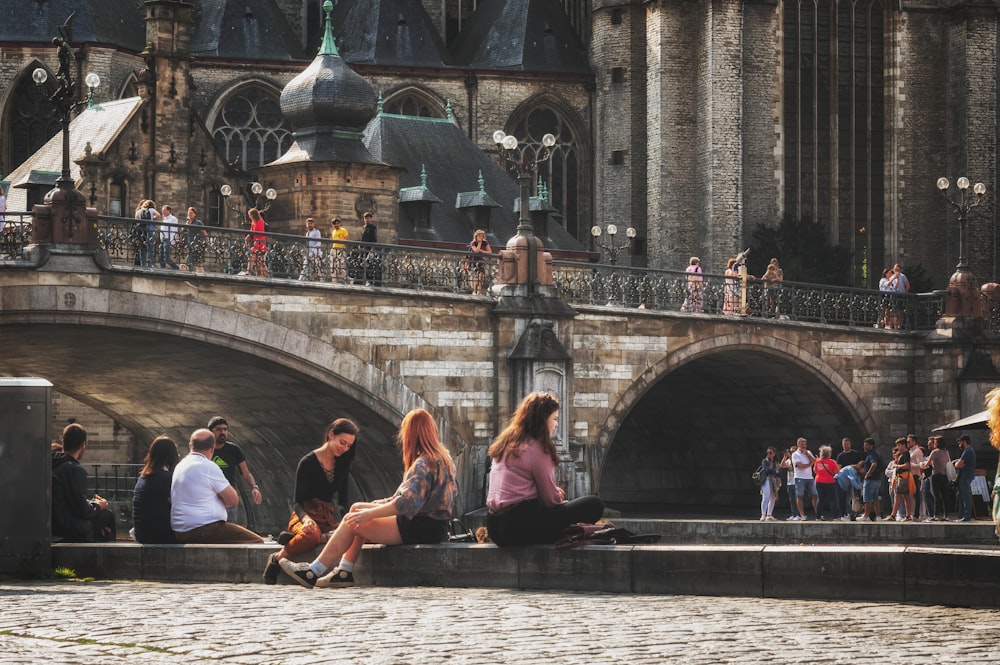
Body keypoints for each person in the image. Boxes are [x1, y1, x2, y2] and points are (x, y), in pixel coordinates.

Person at [280, 408, 457, 588]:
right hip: (433, 525)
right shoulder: (443, 459)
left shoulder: (423, 463)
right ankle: (344, 571)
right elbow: (410, 498)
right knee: (357, 508)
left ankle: (313, 572)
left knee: (354, 521)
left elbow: (404, 504)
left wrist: (369, 514)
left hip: (420, 527)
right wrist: (375, 506)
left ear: (411, 434)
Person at [485, 392, 604, 546]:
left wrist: (549, 491)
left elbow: (516, 488)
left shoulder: (505, 443)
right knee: (594, 505)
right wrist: (555, 495)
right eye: (554, 419)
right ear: (543, 420)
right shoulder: (537, 448)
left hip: (494, 526)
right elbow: (551, 502)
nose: (556, 425)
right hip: (517, 527)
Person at [262, 418, 359, 585]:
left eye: (349, 446)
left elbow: (343, 502)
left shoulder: (343, 463)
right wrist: (306, 519)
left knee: (354, 530)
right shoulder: (307, 462)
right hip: (304, 513)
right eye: (342, 443)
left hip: (326, 515)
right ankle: (277, 558)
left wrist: (346, 521)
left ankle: (317, 537)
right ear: (330, 435)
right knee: (311, 534)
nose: (344, 449)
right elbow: (297, 502)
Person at [170, 428, 263, 544]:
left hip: (180, 531)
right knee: (257, 541)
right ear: (212, 448)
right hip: (204, 528)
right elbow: (233, 500)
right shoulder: (208, 466)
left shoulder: (180, 465)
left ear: (190, 446)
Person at [51, 423, 117, 542]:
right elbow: (83, 510)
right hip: (68, 528)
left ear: (63, 442)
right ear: (83, 445)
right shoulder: (74, 469)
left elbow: (71, 500)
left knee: (104, 533)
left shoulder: (52, 462)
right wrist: (98, 505)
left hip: (52, 524)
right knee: (108, 515)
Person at [207, 416, 263, 523]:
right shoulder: (205, 449)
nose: (222, 432)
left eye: (225, 429)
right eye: (218, 429)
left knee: (229, 531)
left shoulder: (234, 449)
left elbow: (246, 474)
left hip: (228, 497)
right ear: (210, 432)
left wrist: (254, 487)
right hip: (210, 497)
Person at [132, 436, 179, 544]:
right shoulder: (165, 477)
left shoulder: (143, 476)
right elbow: (179, 503)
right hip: (158, 534)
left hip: (142, 533)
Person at [924, 435, 951, 521]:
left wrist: (924, 464)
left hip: (936, 475)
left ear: (937, 443)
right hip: (944, 475)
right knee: (944, 496)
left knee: (936, 496)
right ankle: (946, 515)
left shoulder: (935, 452)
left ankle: (935, 515)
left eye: (935, 442)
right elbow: (948, 462)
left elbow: (927, 463)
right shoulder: (946, 452)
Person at [889, 437, 915, 521]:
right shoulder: (902, 454)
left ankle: (894, 515)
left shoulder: (906, 454)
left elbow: (907, 465)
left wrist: (896, 466)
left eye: (899, 445)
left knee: (899, 496)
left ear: (904, 445)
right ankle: (906, 515)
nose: (898, 447)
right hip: (901, 477)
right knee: (904, 497)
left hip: (903, 477)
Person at [792, 437, 818, 520]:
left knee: (815, 495)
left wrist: (807, 454)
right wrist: (810, 464)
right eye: (802, 444)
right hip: (800, 477)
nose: (803, 446)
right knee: (800, 496)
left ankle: (818, 513)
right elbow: (800, 466)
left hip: (809, 477)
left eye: (805, 444)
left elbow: (815, 461)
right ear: (798, 444)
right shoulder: (795, 454)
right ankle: (802, 515)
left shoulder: (808, 452)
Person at [953, 434, 976, 522]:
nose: (959, 444)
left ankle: (966, 516)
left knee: (965, 497)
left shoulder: (967, 451)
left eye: (960, 442)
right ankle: (963, 515)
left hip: (965, 477)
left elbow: (959, 464)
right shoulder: (970, 451)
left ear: (964, 442)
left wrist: (955, 464)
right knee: (961, 496)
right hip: (967, 476)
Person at [813, 445, 840, 521]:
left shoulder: (818, 461)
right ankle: (835, 516)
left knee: (820, 499)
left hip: (818, 481)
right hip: (829, 482)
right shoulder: (832, 462)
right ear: (828, 454)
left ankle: (818, 516)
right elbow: (837, 471)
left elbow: (815, 471)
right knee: (833, 499)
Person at [860, 437, 883, 521]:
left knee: (867, 498)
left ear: (871, 446)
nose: (864, 447)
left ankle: (866, 516)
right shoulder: (877, 453)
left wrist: (867, 474)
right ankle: (878, 516)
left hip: (870, 480)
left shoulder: (871, 454)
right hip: (877, 479)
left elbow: (874, 464)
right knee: (875, 498)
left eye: (866, 445)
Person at [133, 199, 161, 268]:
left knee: (142, 247)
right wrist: (154, 221)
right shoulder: (151, 210)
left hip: (142, 230)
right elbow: (158, 215)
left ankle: (143, 264)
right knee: (151, 246)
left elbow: (137, 221)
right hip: (150, 228)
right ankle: (150, 263)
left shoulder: (138, 211)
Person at [466, 229, 492, 295]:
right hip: (473, 261)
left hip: (480, 261)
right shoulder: (473, 243)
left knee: (480, 277)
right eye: (479, 236)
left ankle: (479, 291)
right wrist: (479, 243)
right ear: (476, 236)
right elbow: (476, 251)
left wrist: (483, 251)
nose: (481, 237)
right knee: (475, 277)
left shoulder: (485, 242)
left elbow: (490, 252)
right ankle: (474, 291)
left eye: (482, 236)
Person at [758, 447, 781, 521]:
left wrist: (775, 471)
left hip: (774, 481)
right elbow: (766, 470)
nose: (769, 454)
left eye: (770, 453)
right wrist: (774, 471)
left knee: (773, 497)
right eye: (767, 453)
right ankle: (763, 514)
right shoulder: (765, 461)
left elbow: (779, 471)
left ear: (774, 454)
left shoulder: (776, 462)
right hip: (766, 480)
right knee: (766, 496)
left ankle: (769, 514)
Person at [181, 207, 207, 272]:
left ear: (195, 214)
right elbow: (183, 232)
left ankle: (187, 271)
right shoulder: (187, 223)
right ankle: (201, 273)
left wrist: (207, 240)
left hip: (196, 244)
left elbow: (204, 232)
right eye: (189, 213)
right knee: (196, 263)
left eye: (191, 213)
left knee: (192, 260)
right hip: (189, 243)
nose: (190, 214)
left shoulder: (198, 223)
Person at [360, 210, 382, 286]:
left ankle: (370, 280)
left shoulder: (373, 228)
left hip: (370, 248)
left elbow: (374, 239)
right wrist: (360, 245)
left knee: (370, 264)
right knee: (363, 264)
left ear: (371, 219)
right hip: (364, 248)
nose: (367, 220)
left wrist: (373, 248)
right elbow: (363, 237)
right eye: (366, 218)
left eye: (368, 218)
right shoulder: (363, 227)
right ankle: (365, 279)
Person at [779, 445, 800, 520]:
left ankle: (798, 514)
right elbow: (782, 466)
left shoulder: (798, 459)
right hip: (789, 482)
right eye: (790, 451)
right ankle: (794, 514)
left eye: (793, 451)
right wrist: (785, 457)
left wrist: (790, 456)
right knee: (791, 499)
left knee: (797, 498)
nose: (791, 453)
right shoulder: (788, 460)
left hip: (796, 481)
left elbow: (794, 465)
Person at [247, 208, 268, 277]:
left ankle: (264, 275)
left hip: (260, 242)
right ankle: (260, 274)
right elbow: (251, 231)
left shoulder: (260, 222)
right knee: (257, 260)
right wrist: (248, 236)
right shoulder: (253, 222)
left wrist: (253, 234)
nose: (249, 217)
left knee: (259, 260)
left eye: (250, 215)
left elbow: (261, 232)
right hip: (255, 243)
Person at [158, 205, 179, 269]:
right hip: (162, 240)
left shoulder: (173, 219)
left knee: (166, 258)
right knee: (161, 257)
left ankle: (176, 268)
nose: (163, 212)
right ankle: (162, 269)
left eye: (164, 210)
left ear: (168, 211)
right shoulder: (164, 219)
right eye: (162, 211)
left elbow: (174, 230)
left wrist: (172, 241)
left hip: (168, 240)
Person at [330, 217, 349, 282]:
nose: (336, 225)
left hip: (341, 250)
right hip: (334, 250)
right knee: (332, 266)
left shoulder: (343, 230)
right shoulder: (333, 232)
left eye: (338, 223)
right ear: (333, 225)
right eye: (335, 224)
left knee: (341, 266)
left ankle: (346, 278)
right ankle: (334, 280)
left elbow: (346, 239)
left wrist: (343, 249)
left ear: (340, 224)